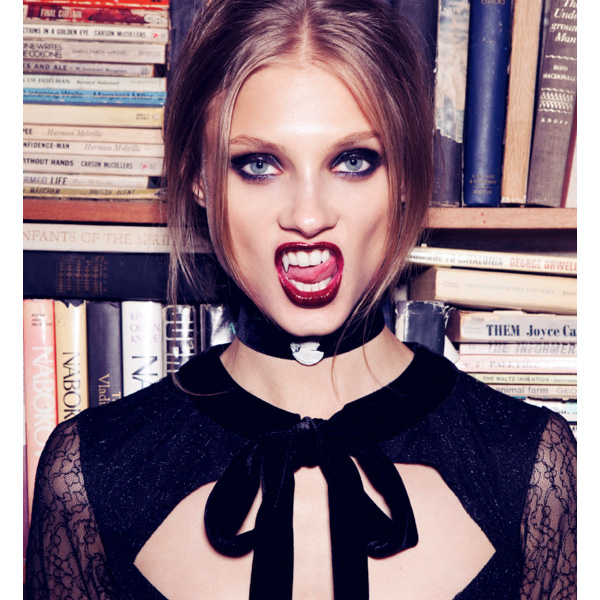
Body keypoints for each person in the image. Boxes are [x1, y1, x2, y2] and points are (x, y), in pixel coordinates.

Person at [26, 0, 576, 598]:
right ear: (199, 178)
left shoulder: (530, 467)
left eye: (353, 161)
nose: (308, 216)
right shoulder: (90, 474)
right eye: (259, 165)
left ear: (406, 177)